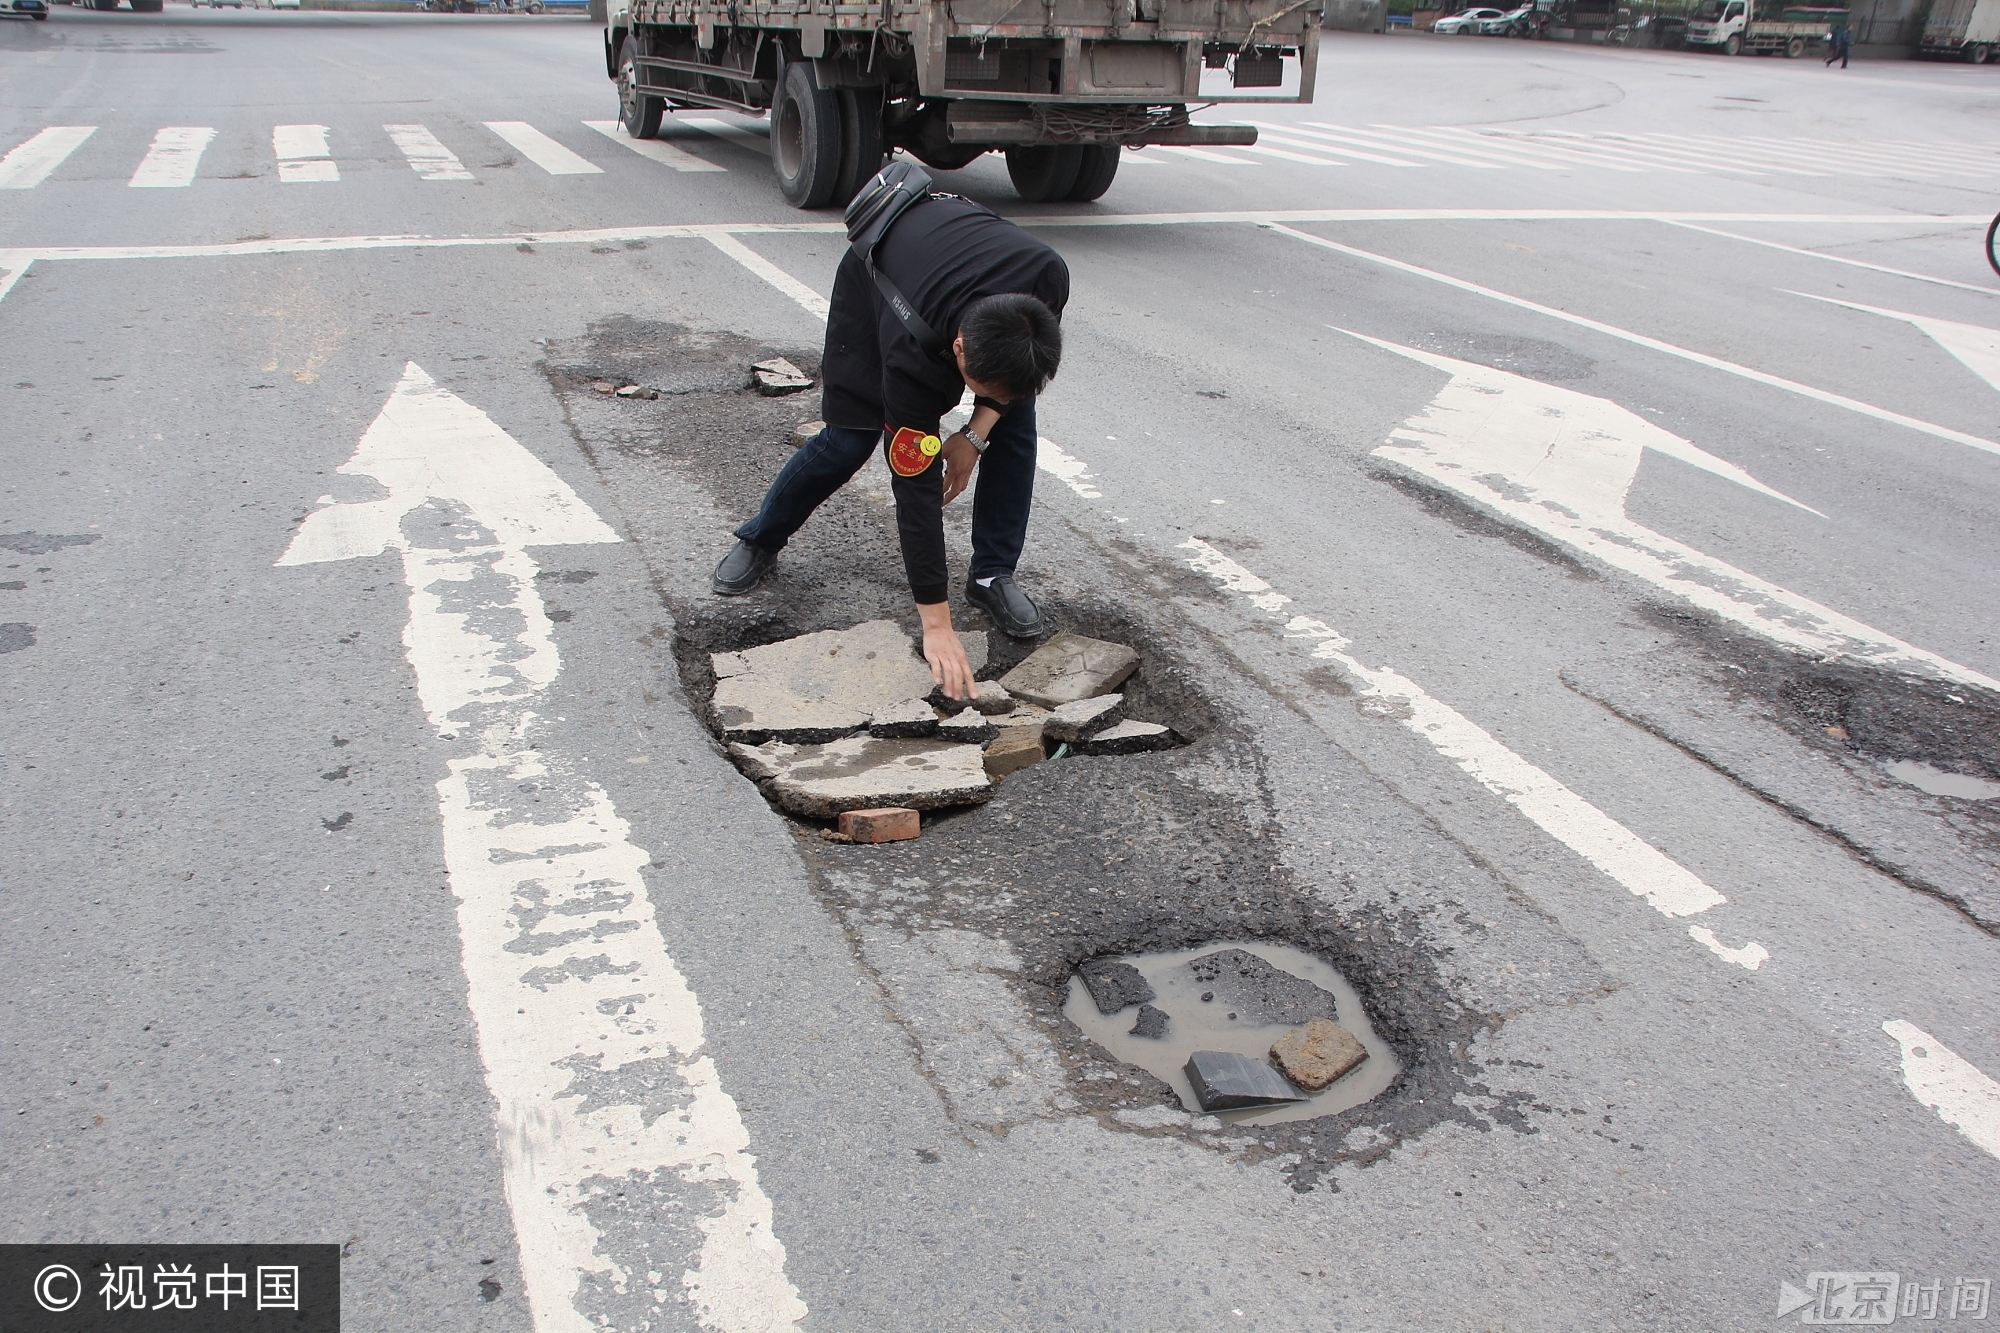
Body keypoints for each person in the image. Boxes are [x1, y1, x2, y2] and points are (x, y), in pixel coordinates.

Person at [711, 190, 1068, 703]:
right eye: (976, 384)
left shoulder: (1045, 277)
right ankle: (760, 539)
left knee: (1014, 423)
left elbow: (1016, 382)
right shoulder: (912, 359)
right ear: (959, 349)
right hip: (878, 276)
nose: (982, 397)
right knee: (847, 439)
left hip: (950, 253)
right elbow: (915, 491)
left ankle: (991, 574)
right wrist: (937, 623)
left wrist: (975, 433)